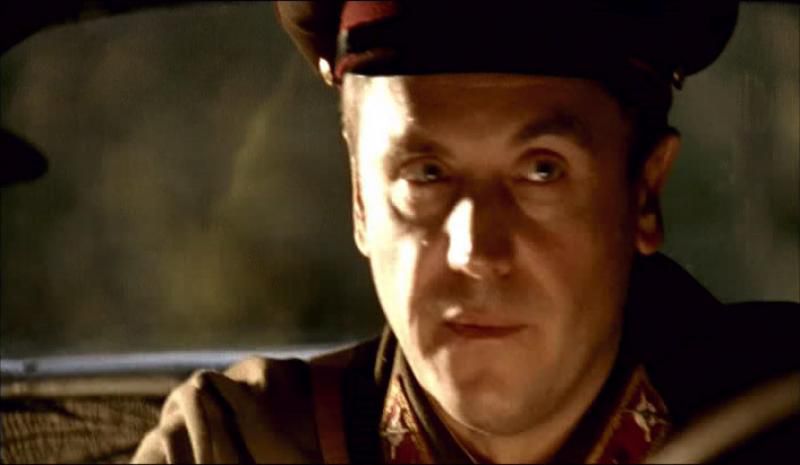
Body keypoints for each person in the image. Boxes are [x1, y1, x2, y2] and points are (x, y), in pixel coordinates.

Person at [133, 2, 799, 463]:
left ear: (643, 194)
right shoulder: (237, 447)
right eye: (425, 174)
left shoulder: (778, 420)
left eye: (541, 171)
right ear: (361, 200)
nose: (476, 251)